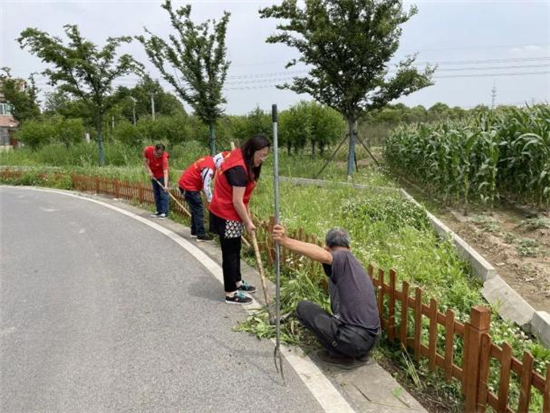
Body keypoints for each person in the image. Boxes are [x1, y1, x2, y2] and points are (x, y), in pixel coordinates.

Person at [272, 225, 381, 368]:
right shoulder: (354, 265)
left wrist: (286, 241)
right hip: (372, 338)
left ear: (327, 247)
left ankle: (342, 355)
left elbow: (325, 256)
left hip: (353, 340)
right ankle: (356, 352)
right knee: (330, 300)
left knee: (303, 307)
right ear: (349, 245)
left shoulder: (341, 257)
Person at [209, 135, 270, 304]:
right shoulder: (238, 170)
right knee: (230, 253)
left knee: (235, 250)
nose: (263, 159)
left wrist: (247, 217)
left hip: (230, 211)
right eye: (261, 155)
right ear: (251, 151)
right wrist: (249, 222)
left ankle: (237, 282)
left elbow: (243, 198)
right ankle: (230, 293)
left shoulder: (240, 156)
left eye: (266, 155)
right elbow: (237, 201)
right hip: (226, 213)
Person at [178, 152, 228, 242]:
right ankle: (200, 235)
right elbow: (206, 186)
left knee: (195, 210)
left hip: (186, 185)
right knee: (199, 210)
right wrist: (211, 200)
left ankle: (194, 231)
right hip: (189, 187)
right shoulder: (209, 168)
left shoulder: (208, 160)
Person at [143, 143, 169, 219]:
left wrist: (166, 185)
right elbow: (145, 161)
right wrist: (149, 171)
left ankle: (164, 213)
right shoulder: (147, 150)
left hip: (162, 175)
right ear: (154, 150)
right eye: (158, 154)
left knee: (163, 193)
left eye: (161, 154)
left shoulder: (164, 158)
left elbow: (165, 172)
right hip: (153, 175)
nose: (159, 156)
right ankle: (158, 211)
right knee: (156, 193)